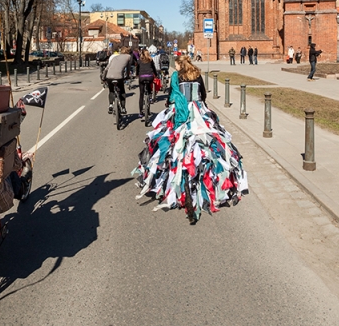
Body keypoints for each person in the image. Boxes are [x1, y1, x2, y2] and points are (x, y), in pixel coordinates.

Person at [132, 54, 247, 224]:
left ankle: (173, 181)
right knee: (208, 141)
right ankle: (211, 181)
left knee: (174, 141)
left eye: (177, 64)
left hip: (182, 112)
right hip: (199, 111)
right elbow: (202, 94)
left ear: (180, 65)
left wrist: (170, 105)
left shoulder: (178, 77)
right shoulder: (197, 75)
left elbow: (172, 95)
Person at [105, 46, 135, 114]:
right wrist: (127, 76)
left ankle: (110, 105)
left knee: (111, 91)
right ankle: (123, 108)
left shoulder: (115, 57)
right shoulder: (128, 57)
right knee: (122, 91)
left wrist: (104, 78)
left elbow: (107, 68)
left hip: (109, 77)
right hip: (119, 77)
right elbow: (128, 68)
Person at [137, 49, 157, 116]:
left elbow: (137, 69)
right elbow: (154, 69)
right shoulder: (150, 60)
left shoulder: (139, 61)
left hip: (142, 77)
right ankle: (149, 97)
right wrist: (156, 75)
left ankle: (140, 112)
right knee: (148, 89)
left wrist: (137, 75)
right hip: (150, 76)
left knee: (141, 94)